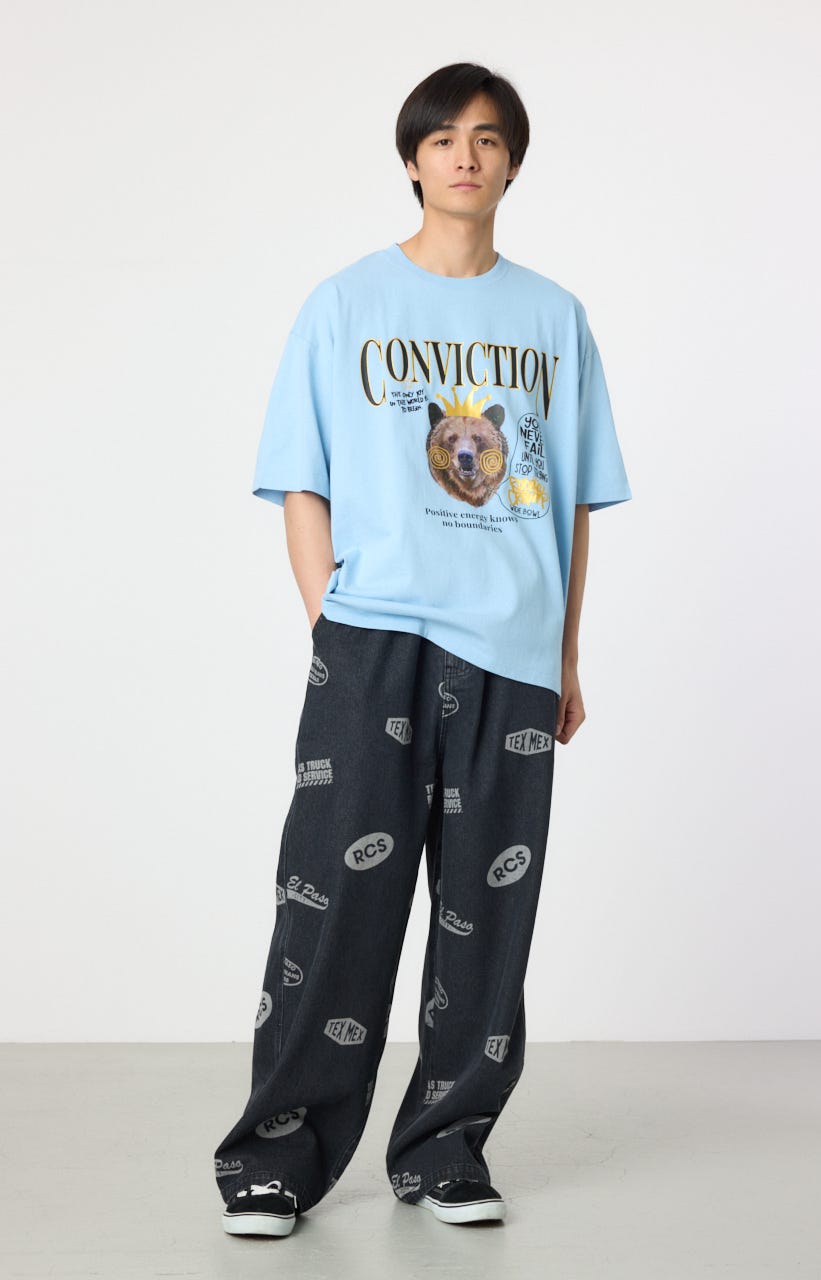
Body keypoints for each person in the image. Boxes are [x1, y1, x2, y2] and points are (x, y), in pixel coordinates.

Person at [213, 61, 632, 1237]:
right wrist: (332, 625)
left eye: (487, 138)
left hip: (512, 650)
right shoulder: (344, 302)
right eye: (443, 137)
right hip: (376, 639)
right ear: (411, 159)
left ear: (512, 163)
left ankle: (446, 1148)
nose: (464, 155)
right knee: (333, 903)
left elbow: (569, 502)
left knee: (487, 918)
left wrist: (565, 654)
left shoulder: (554, 318)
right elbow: (300, 480)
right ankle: (274, 1157)